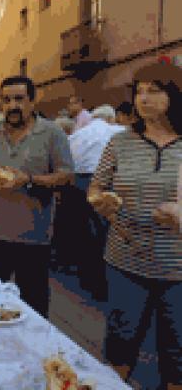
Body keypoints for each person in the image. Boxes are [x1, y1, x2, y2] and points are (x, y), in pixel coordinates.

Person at [88, 63, 182, 389]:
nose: (144, 98)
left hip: (177, 269)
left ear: (174, 94)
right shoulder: (120, 143)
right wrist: (99, 200)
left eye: (154, 90)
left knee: (177, 354)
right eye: (139, 91)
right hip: (125, 260)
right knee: (120, 345)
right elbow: (96, 187)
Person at [0, 76, 74, 317]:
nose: (12, 105)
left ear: (32, 101)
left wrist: (29, 179)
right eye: (6, 100)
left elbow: (66, 176)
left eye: (19, 99)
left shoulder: (52, 133)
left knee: (33, 306)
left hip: (34, 239)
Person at [65, 104, 126, 298]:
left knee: (84, 234)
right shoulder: (117, 131)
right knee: (105, 234)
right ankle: (105, 284)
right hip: (107, 184)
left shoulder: (79, 134)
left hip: (78, 183)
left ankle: (87, 279)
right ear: (110, 118)